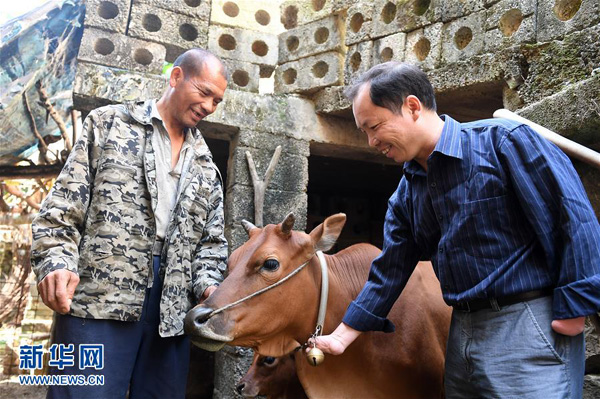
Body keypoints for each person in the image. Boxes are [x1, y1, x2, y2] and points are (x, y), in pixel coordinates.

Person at [312, 62, 600, 398]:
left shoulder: (503, 144)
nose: (372, 141)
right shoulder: (407, 192)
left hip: (526, 321)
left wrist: (575, 308)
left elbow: (573, 220)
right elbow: (389, 270)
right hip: (461, 330)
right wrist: (342, 336)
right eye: (365, 132)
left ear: (412, 107)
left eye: (374, 126)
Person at [31, 48, 229, 399]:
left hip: (171, 313)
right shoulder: (108, 124)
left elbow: (210, 246)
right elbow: (61, 209)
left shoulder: (206, 167)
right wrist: (56, 263)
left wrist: (211, 289)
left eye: (217, 100)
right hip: (99, 297)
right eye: (204, 92)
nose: (209, 106)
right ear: (176, 77)